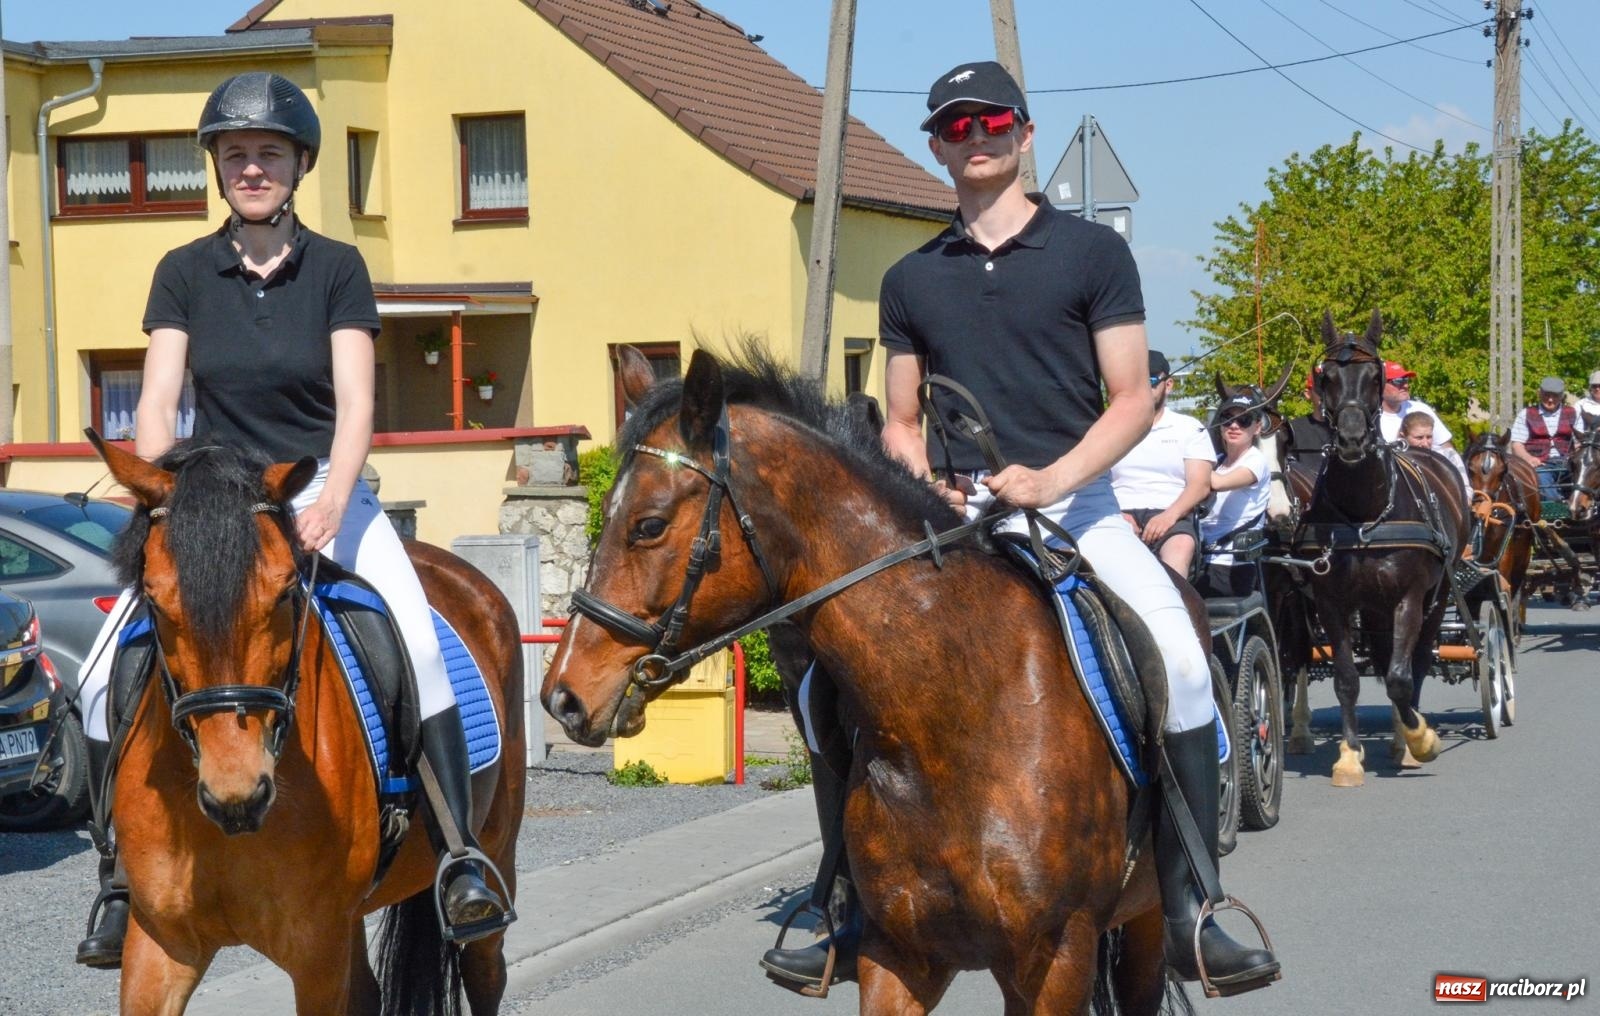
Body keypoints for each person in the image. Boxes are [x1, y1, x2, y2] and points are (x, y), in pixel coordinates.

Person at [774, 58, 1276, 993]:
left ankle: (1193, 904)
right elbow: (899, 420)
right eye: (955, 128)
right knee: (821, 694)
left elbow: (1129, 401)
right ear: (935, 145)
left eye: (991, 123)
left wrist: (1052, 480)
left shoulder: (1092, 255)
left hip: (1079, 512)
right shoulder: (912, 278)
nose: (975, 140)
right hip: (957, 522)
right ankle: (840, 898)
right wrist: (927, 495)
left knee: (1179, 661)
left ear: (1025, 132)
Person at [73, 72, 509, 968]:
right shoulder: (185, 271)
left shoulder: (337, 268)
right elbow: (158, 400)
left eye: (268, 152)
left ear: (299, 164)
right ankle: (119, 874)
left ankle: (461, 855)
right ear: (219, 169)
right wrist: (156, 483)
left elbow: (355, 403)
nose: (251, 168)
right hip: (215, 504)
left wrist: (340, 496)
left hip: (317, 495)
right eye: (236, 154)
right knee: (100, 667)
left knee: (418, 645)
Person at [1109, 351, 1215, 578]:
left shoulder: (1189, 428)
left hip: (1172, 514)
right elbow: (1095, 479)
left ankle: (1175, 608)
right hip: (1117, 512)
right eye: (1136, 382)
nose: (1142, 388)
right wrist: (1117, 514)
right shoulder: (1109, 428)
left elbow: (1200, 485)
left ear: (1168, 385)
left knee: (1180, 547)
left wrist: (1168, 516)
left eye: (1150, 381)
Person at [1198, 396, 1272, 598]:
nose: (1234, 425)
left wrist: (1193, 466)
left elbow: (1218, 483)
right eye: (1227, 419)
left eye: (1244, 420)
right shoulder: (1217, 462)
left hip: (1233, 565)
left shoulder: (1256, 460)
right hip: (1201, 558)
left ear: (1257, 427)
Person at [1510, 376, 1579, 501]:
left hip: (1568, 462)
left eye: (1555, 395)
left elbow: (1579, 441)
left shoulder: (1573, 413)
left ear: (1562, 396)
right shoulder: (1526, 414)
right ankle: (1557, 508)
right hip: (1541, 464)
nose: (1550, 399)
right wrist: (1529, 458)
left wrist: (1577, 457)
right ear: (1539, 393)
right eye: (1547, 395)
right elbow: (1517, 444)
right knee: (1541, 477)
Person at [1377, 360, 1455, 453]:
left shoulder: (1421, 409)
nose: (1405, 385)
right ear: (1380, 385)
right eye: (1398, 381)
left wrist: (1458, 466)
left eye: (1406, 380)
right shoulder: (1370, 418)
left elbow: (1447, 449)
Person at [1400, 410, 1469, 491]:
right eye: (1419, 438)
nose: (1425, 443)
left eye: (1429, 437)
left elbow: (1465, 489)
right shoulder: (1394, 458)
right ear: (1403, 436)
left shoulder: (1448, 455)